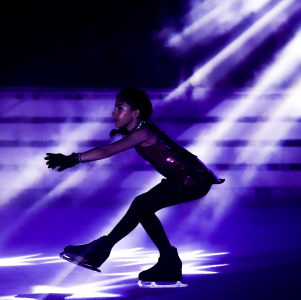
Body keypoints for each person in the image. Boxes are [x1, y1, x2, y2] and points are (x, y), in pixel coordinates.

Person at [45, 87, 223, 285]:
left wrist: (73, 158)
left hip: (192, 178)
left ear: (136, 113)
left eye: (120, 108)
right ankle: (105, 251)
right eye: (115, 108)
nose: (113, 113)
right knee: (141, 206)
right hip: (186, 178)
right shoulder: (140, 132)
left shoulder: (144, 131)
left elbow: (107, 150)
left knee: (141, 204)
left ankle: (161, 260)